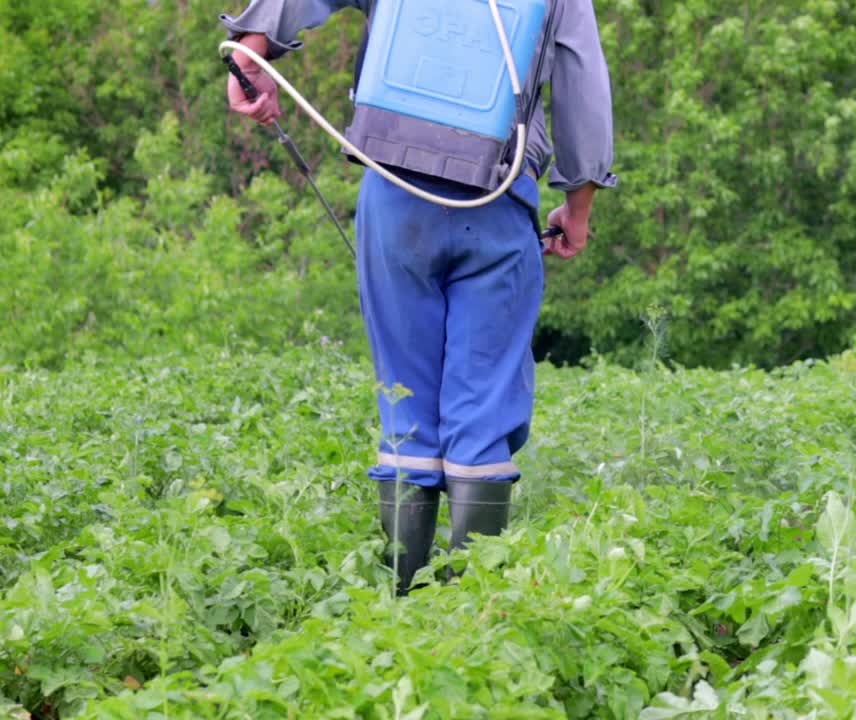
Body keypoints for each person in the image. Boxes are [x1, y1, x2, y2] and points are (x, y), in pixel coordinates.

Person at [220, 0, 616, 594]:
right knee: (482, 408)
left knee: (404, 399)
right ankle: (465, 609)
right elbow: (582, 80)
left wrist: (253, 48)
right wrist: (578, 205)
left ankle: (402, 601)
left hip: (394, 190)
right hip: (499, 197)